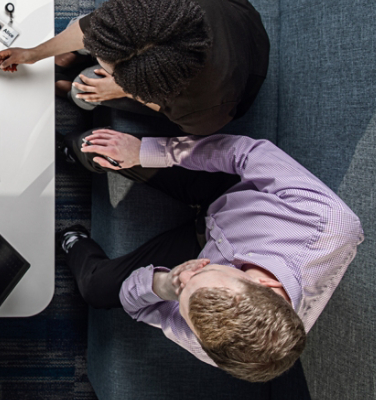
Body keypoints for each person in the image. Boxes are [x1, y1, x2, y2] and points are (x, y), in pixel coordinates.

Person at [58, 130, 363, 382]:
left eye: (184, 296)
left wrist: (167, 285)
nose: (187, 275)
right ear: (265, 286)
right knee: (99, 148)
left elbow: (136, 306)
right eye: (204, 273)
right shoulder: (327, 223)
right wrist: (147, 152)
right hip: (228, 191)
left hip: (196, 244)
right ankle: (72, 149)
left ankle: (71, 240)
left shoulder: (213, 341)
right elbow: (244, 152)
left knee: (96, 288)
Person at [0, 0, 270, 135]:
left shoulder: (205, 110)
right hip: (229, 16)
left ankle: (72, 86)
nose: (92, 45)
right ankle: (72, 60)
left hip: (241, 74)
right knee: (78, 28)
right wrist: (33, 53)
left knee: (84, 89)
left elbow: (176, 113)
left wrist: (119, 90)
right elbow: (93, 28)